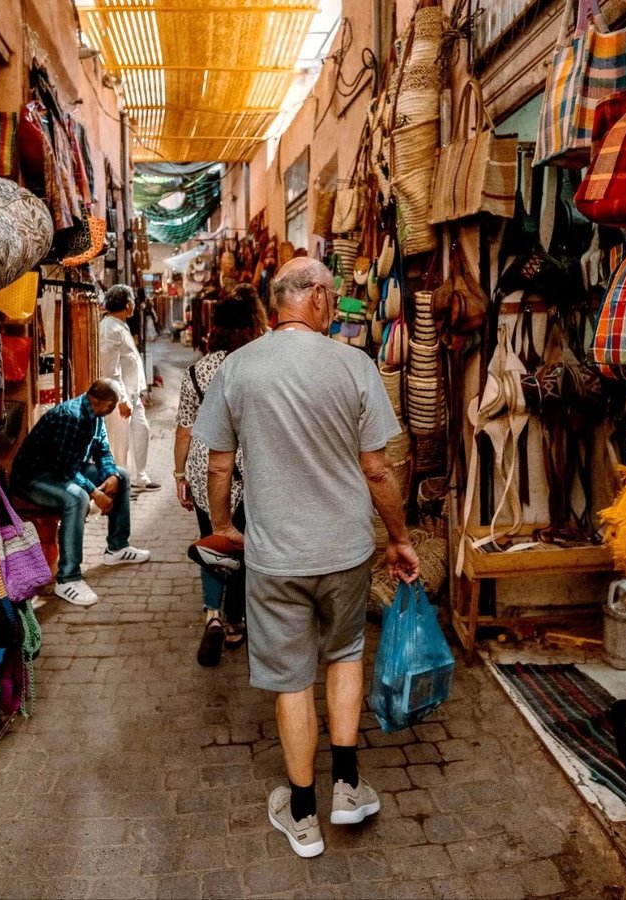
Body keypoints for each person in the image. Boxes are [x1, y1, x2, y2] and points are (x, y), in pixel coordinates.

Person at [191, 258, 420, 859]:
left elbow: (218, 464)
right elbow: (378, 469)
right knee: (344, 657)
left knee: (292, 680)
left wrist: (221, 527)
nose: (336, 305)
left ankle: (301, 815)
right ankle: (346, 787)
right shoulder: (354, 365)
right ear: (317, 297)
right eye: (334, 296)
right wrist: (399, 538)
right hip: (344, 550)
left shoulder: (237, 369)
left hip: (274, 556)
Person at [174, 284, 267, 667]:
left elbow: (184, 428)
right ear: (252, 325)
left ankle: (211, 614)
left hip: (203, 464)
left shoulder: (198, 371)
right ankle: (234, 622)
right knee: (242, 546)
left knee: (213, 541)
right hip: (249, 467)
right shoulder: (259, 365)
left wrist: (180, 473)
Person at [10, 378, 151, 607]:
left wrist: (111, 475)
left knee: (123, 476)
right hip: (34, 478)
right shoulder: (70, 417)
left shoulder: (96, 415)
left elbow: (102, 450)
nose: (114, 409)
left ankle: (117, 547)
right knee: (77, 498)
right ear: (104, 403)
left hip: (65, 468)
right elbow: (62, 469)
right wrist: (95, 493)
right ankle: (67, 578)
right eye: (113, 404)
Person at [98, 284, 159, 493]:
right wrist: (121, 399)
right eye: (132, 301)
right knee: (120, 443)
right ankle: (119, 485)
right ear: (127, 304)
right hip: (120, 395)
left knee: (141, 430)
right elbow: (111, 369)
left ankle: (138, 477)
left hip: (132, 393)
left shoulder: (120, 325)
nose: (134, 304)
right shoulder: (110, 328)